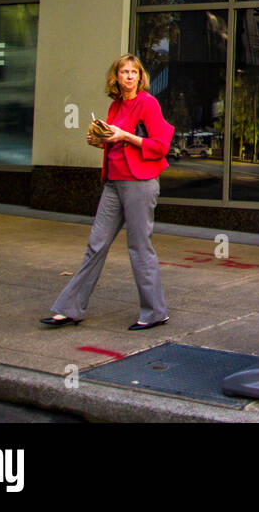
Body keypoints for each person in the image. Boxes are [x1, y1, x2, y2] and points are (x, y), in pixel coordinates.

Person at [42, 54, 175, 330]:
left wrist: (124, 136)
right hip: (113, 183)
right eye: (123, 72)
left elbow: (160, 145)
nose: (128, 76)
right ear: (115, 77)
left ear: (140, 77)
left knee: (139, 247)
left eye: (133, 72)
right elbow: (114, 142)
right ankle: (69, 308)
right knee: (96, 244)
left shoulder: (148, 103)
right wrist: (100, 141)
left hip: (139, 183)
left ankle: (155, 312)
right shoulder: (115, 106)